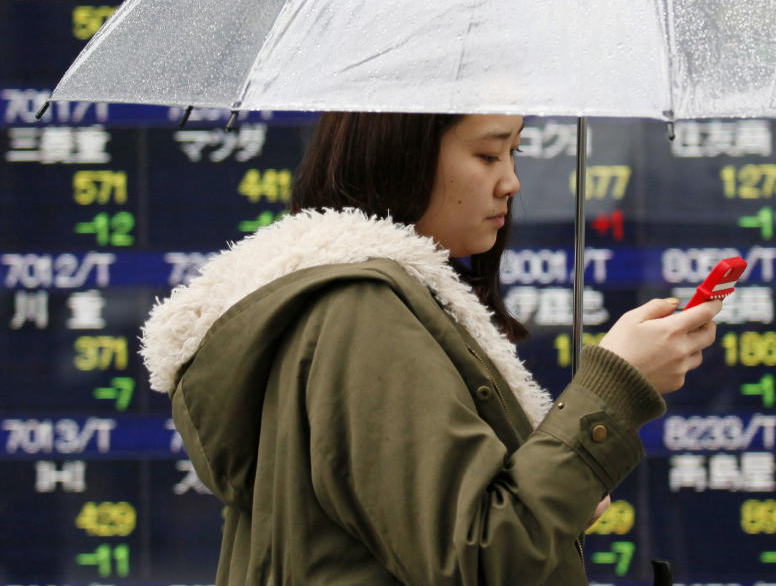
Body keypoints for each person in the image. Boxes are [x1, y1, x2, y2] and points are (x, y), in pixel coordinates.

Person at [140, 112, 719, 585]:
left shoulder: (360, 300)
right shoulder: (360, 314)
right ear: (402, 154)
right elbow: (477, 558)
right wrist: (614, 386)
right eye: (489, 155)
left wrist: (561, 494)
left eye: (516, 153)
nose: (511, 181)